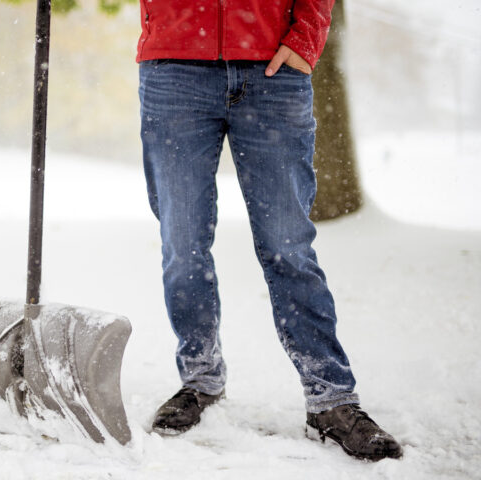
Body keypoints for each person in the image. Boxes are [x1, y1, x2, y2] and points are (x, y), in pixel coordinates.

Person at [136, 0, 403, 461]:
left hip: (272, 71)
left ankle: (330, 399)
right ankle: (200, 379)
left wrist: (304, 41)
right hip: (175, 71)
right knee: (183, 245)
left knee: (288, 247)